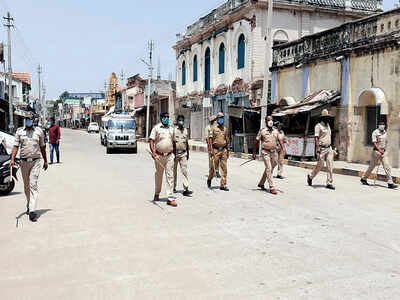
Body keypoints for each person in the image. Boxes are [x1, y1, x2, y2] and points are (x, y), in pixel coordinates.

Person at [10, 113, 48, 222]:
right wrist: (12, 159)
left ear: (33, 120)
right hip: (24, 162)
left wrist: (45, 161)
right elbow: (16, 146)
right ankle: (29, 204)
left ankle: (32, 210)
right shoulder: (19, 131)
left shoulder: (39, 131)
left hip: (36, 161)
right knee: (26, 186)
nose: (28, 121)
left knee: (33, 185)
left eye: (30, 119)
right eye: (27, 119)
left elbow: (43, 147)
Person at [149, 112, 177, 207]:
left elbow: (174, 142)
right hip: (159, 156)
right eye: (164, 117)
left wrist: (174, 154)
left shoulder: (171, 129)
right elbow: (151, 141)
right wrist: (153, 152)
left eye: (167, 117)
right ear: (161, 118)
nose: (166, 119)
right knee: (159, 175)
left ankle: (170, 198)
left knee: (170, 176)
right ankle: (157, 193)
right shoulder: (156, 128)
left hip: (169, 156)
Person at [253, 116, 285, 195]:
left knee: (270, 168)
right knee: (269, 168)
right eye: (268, 120)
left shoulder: (276, 131)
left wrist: (283, 148)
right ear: (265, 122)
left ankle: (261, 183)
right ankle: (271, 187)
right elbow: (256, 142)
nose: (270, 121)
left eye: (271, 120)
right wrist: (254, 153)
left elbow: (280, 140)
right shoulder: (262, 131)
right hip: (265, 152)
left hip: (273, 152)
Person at [360, 121, 398, 189]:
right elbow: (374, 143)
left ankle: (390, 183)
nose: (382, 126)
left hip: (383, 152)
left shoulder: (385, 132)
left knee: (387, 166)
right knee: (372, 166)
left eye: (383, 125)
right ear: (378, 125)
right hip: (376, 152)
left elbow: (386, 142)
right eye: (381, 125)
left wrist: (384, 150)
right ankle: (363, 178)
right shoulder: (375, 132)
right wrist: (379, 150)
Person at [307, 109, 335, 190]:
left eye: (328, 117)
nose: (328, 119)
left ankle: (329, 183)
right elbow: (316, 138)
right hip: (321, 148)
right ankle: (311, 177)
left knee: (330, 165)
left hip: (329, 148)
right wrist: (318, 147)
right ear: (323, 118)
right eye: (326, 117)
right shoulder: (318, 126)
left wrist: (332, 147)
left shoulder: (328, 125)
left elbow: (329, 136)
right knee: (320, 166)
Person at [207, 112, 230, 191]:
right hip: (215, 150)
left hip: (223, 150)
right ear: (217, 119)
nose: (221, 119)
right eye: (220, 118)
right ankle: (210, 178)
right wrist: (210, 150)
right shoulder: (213, 128)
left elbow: (227, 140)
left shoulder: (225, 128)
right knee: (214, 167)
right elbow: (210, 139)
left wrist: (228, 151)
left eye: (222, 118)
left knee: (224, 168)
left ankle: (223, 185)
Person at [173, 115, 193, 196]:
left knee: (184, 171)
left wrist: (188, 153)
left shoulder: (185, 130)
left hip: (183, 153)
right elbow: (172, 142)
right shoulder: (174, 130)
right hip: (175, 154)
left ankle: (186, 188)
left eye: (182, 120)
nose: (181, 122)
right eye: (180, 120)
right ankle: (173, 187)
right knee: (173, 172)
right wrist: (172, 153)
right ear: (177, 121)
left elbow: (187, 142)